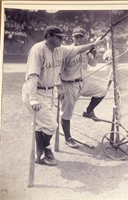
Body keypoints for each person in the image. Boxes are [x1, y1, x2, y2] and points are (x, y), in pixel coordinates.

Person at [22, 25, 103, 166]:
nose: (61, 40)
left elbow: (78, 49)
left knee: (40, 126)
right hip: (35, 91)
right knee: (52, 125)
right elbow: (33, 75)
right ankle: (46, 149)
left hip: (49, 91)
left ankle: (41, 155)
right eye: (59, 37)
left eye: (62, 37)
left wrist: (94, 45)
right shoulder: (38, 50)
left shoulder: (60, 50)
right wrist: (33, 98)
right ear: (49, 36)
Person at [60, 27, 108, 148]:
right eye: (76, 36)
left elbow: (93, 64)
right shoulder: (68, 51)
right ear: (72, 37)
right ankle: (68, 138)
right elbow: (58, 71)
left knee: (102, 91)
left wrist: (94, 52)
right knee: (67, 112)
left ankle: (88, 111)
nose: (79, 39)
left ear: (85, 37)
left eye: (81, 36)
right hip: (69, 84)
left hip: (83, 83)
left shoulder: (86, 50)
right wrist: (60, 88)